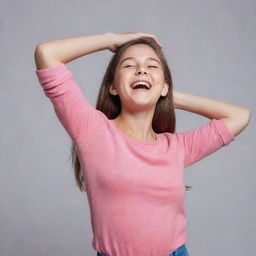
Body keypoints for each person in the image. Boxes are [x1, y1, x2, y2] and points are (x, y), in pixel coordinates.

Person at [34, 32, 251, 256]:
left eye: (152, 66)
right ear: (113, 87)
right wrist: (111, 40)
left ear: (165, 87)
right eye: (129, 65)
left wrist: (168, 95)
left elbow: (239, 116)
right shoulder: (93, 131)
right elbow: (47, 54)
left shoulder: (177, 147)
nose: (141, 70)